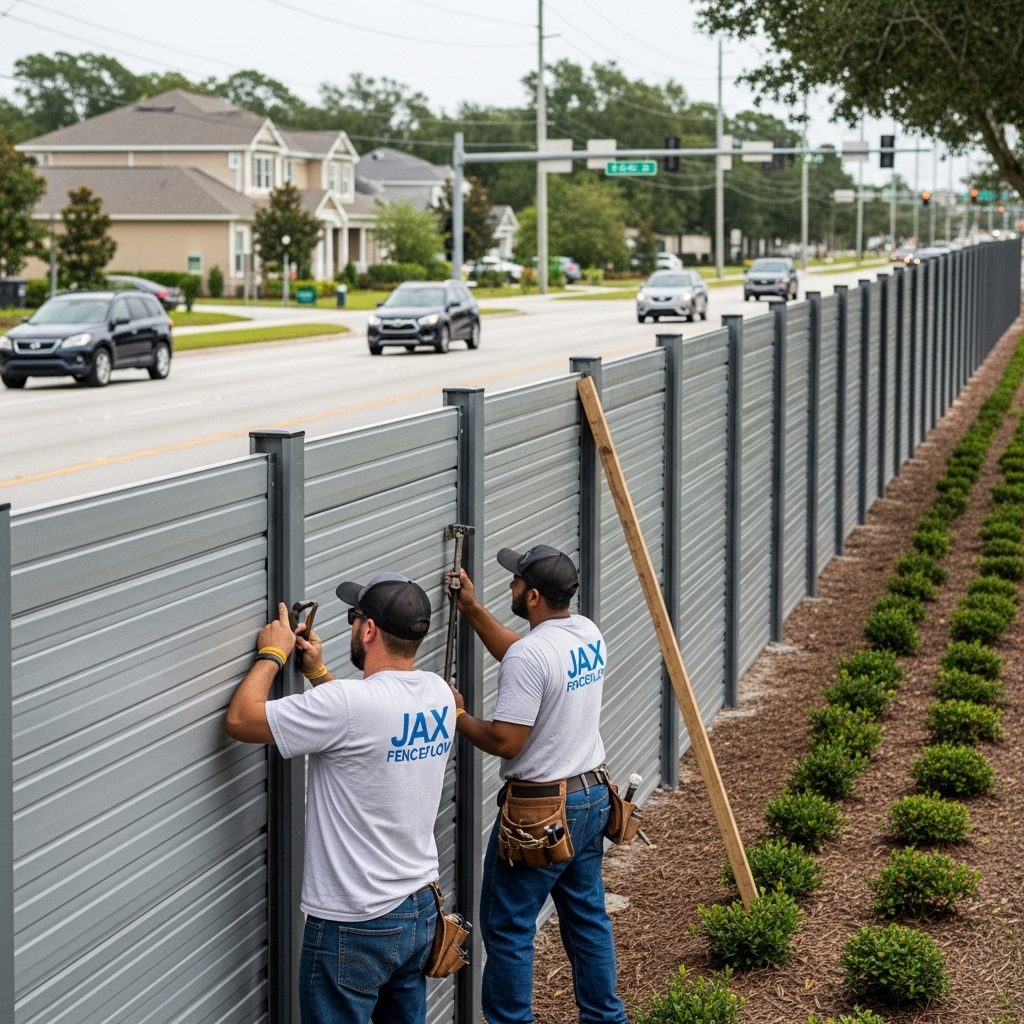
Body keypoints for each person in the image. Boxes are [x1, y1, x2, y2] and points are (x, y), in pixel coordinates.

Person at [225, 572, 454, 1024]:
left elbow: (241, 719)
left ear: (368, 630)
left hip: (356, 921)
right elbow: (366, 727)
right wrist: (316, 672)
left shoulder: (351, 704)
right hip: (419, 911)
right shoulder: (439, 694)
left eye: (355, 618)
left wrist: (274, 653)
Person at [446, 545, 628, 1024]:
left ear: (531, 597)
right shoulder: (586, 631)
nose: (510, 585)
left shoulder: (533, 654)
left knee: (507, 927)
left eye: (515, 581)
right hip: (591, 796)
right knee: (587, 917)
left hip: (541, 813)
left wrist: (458, 715)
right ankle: (606, 1018)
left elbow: (506, 741)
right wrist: (472, 608)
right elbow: (528, 660)